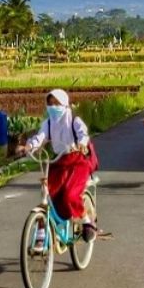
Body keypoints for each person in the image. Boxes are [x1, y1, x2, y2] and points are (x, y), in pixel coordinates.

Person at [18, 89, 97, 243]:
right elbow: (40, 137)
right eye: (50, 103)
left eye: (56, 103)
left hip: (77, 161)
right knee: (48, 193)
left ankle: (87, 222)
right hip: (59, 162)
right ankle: (43, 229)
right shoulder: (48, 123)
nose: (53, 107)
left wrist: (81, 144)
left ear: (64, 103)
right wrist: (28, 147)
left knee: (70, 193)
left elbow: (83, 134)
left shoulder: (74, 120)